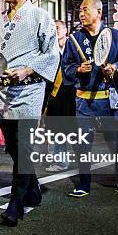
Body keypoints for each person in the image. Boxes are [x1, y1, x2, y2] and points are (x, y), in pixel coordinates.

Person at [0, 0, 60, 226]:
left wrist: (28, 68)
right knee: (14, 148)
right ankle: (34, 189)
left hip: (29, 89)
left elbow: (52, 53)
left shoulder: (40, 16)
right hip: (3, 91)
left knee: (25, 147)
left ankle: (15, 204)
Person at [62, 0, 118, 197]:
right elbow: (65, 66)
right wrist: (77, 69)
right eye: (80, 11)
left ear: (99, 12)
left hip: (107, 98)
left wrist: (115, 68)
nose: (81, 14)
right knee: (83, 144)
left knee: (114, 141)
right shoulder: (75, 39)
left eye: (85, 10)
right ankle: (84, 184)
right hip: (83, 100)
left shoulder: (115, 36)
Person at [44, 19, 76, 172]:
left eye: (57, 28)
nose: (55, 30)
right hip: (54, 95)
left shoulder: (74, 49)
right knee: (55, 129)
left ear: (65, 30)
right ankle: (60, 161)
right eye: (53, 28)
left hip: (72, 95)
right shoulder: (50, 50)